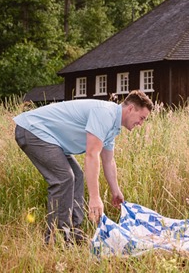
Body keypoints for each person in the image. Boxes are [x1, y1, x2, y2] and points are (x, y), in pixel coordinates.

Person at [13, 90, 154, 245]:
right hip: (33, 130)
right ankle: (57, 239)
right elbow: (91, 155)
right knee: (64, 178)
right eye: (142, 118)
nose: (141, 123)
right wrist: (94, 198)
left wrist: (115, 191)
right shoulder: (105, 114)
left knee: (77, 176)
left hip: (52, 140)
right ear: (131, 109)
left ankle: (75, 233)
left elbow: (108, 161)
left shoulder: (113, 125)